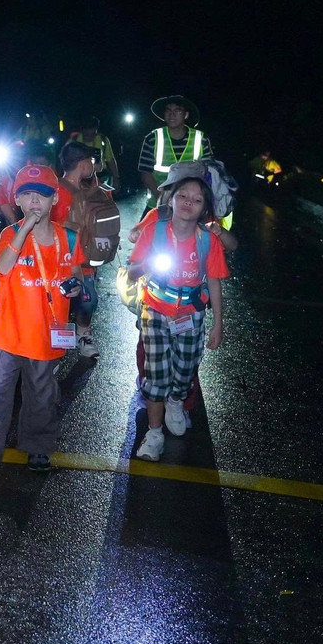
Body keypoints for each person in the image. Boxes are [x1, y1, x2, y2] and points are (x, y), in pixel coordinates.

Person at [0, 164, 87, 479]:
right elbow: (2, 267)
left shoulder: (67, 237)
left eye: (41, 195)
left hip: (46, 334)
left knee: (43, 395)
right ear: (16, 200)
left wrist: (76, 284)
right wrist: (25, 229)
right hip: (8, 333)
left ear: (54, 199)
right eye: (26, 195)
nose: (34, 202)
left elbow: (76, 274)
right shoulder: (9, 234)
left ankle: (38, 447)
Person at [124, 176, 229, 462]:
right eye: (183, 196)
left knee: (185, 372)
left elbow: (216, 283)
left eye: (196, 200)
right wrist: (148, 263)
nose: (188, 203)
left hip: (191, 316)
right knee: (156, 375)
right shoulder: (153, 232)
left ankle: (176, 400)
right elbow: (132, 271)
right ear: (171, 199)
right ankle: (154, 434)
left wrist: (218, 324)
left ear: (204, 208)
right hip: (155, 311)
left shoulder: (208, 241)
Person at [51, 141, 121, 356]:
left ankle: (83, 335)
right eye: (91, 162)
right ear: (83, 164)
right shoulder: (59, 192)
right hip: (63, 263)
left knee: (87, 300)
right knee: (65, 303)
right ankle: (55, 346)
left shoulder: (85, 191)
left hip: (84, 262)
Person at [137, 95, 213, 198]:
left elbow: (210, 171)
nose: (172, 115)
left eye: (177, 111)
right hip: (159, 202)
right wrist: (161, 198)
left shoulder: (201, 139)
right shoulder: (152, 138)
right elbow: (145, 172)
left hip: (191, 203)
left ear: (186, 115)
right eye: (168, 111)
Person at [71, 117, 119, 191]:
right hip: (80, 178)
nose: (88, 135)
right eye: (86, 132)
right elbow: (64, 159)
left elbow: (110, 160)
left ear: (96, 129)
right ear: (82, 130)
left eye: (91, 132)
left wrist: (116, 179)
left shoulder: (103, 140)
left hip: (101, 177)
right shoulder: (74, 141)